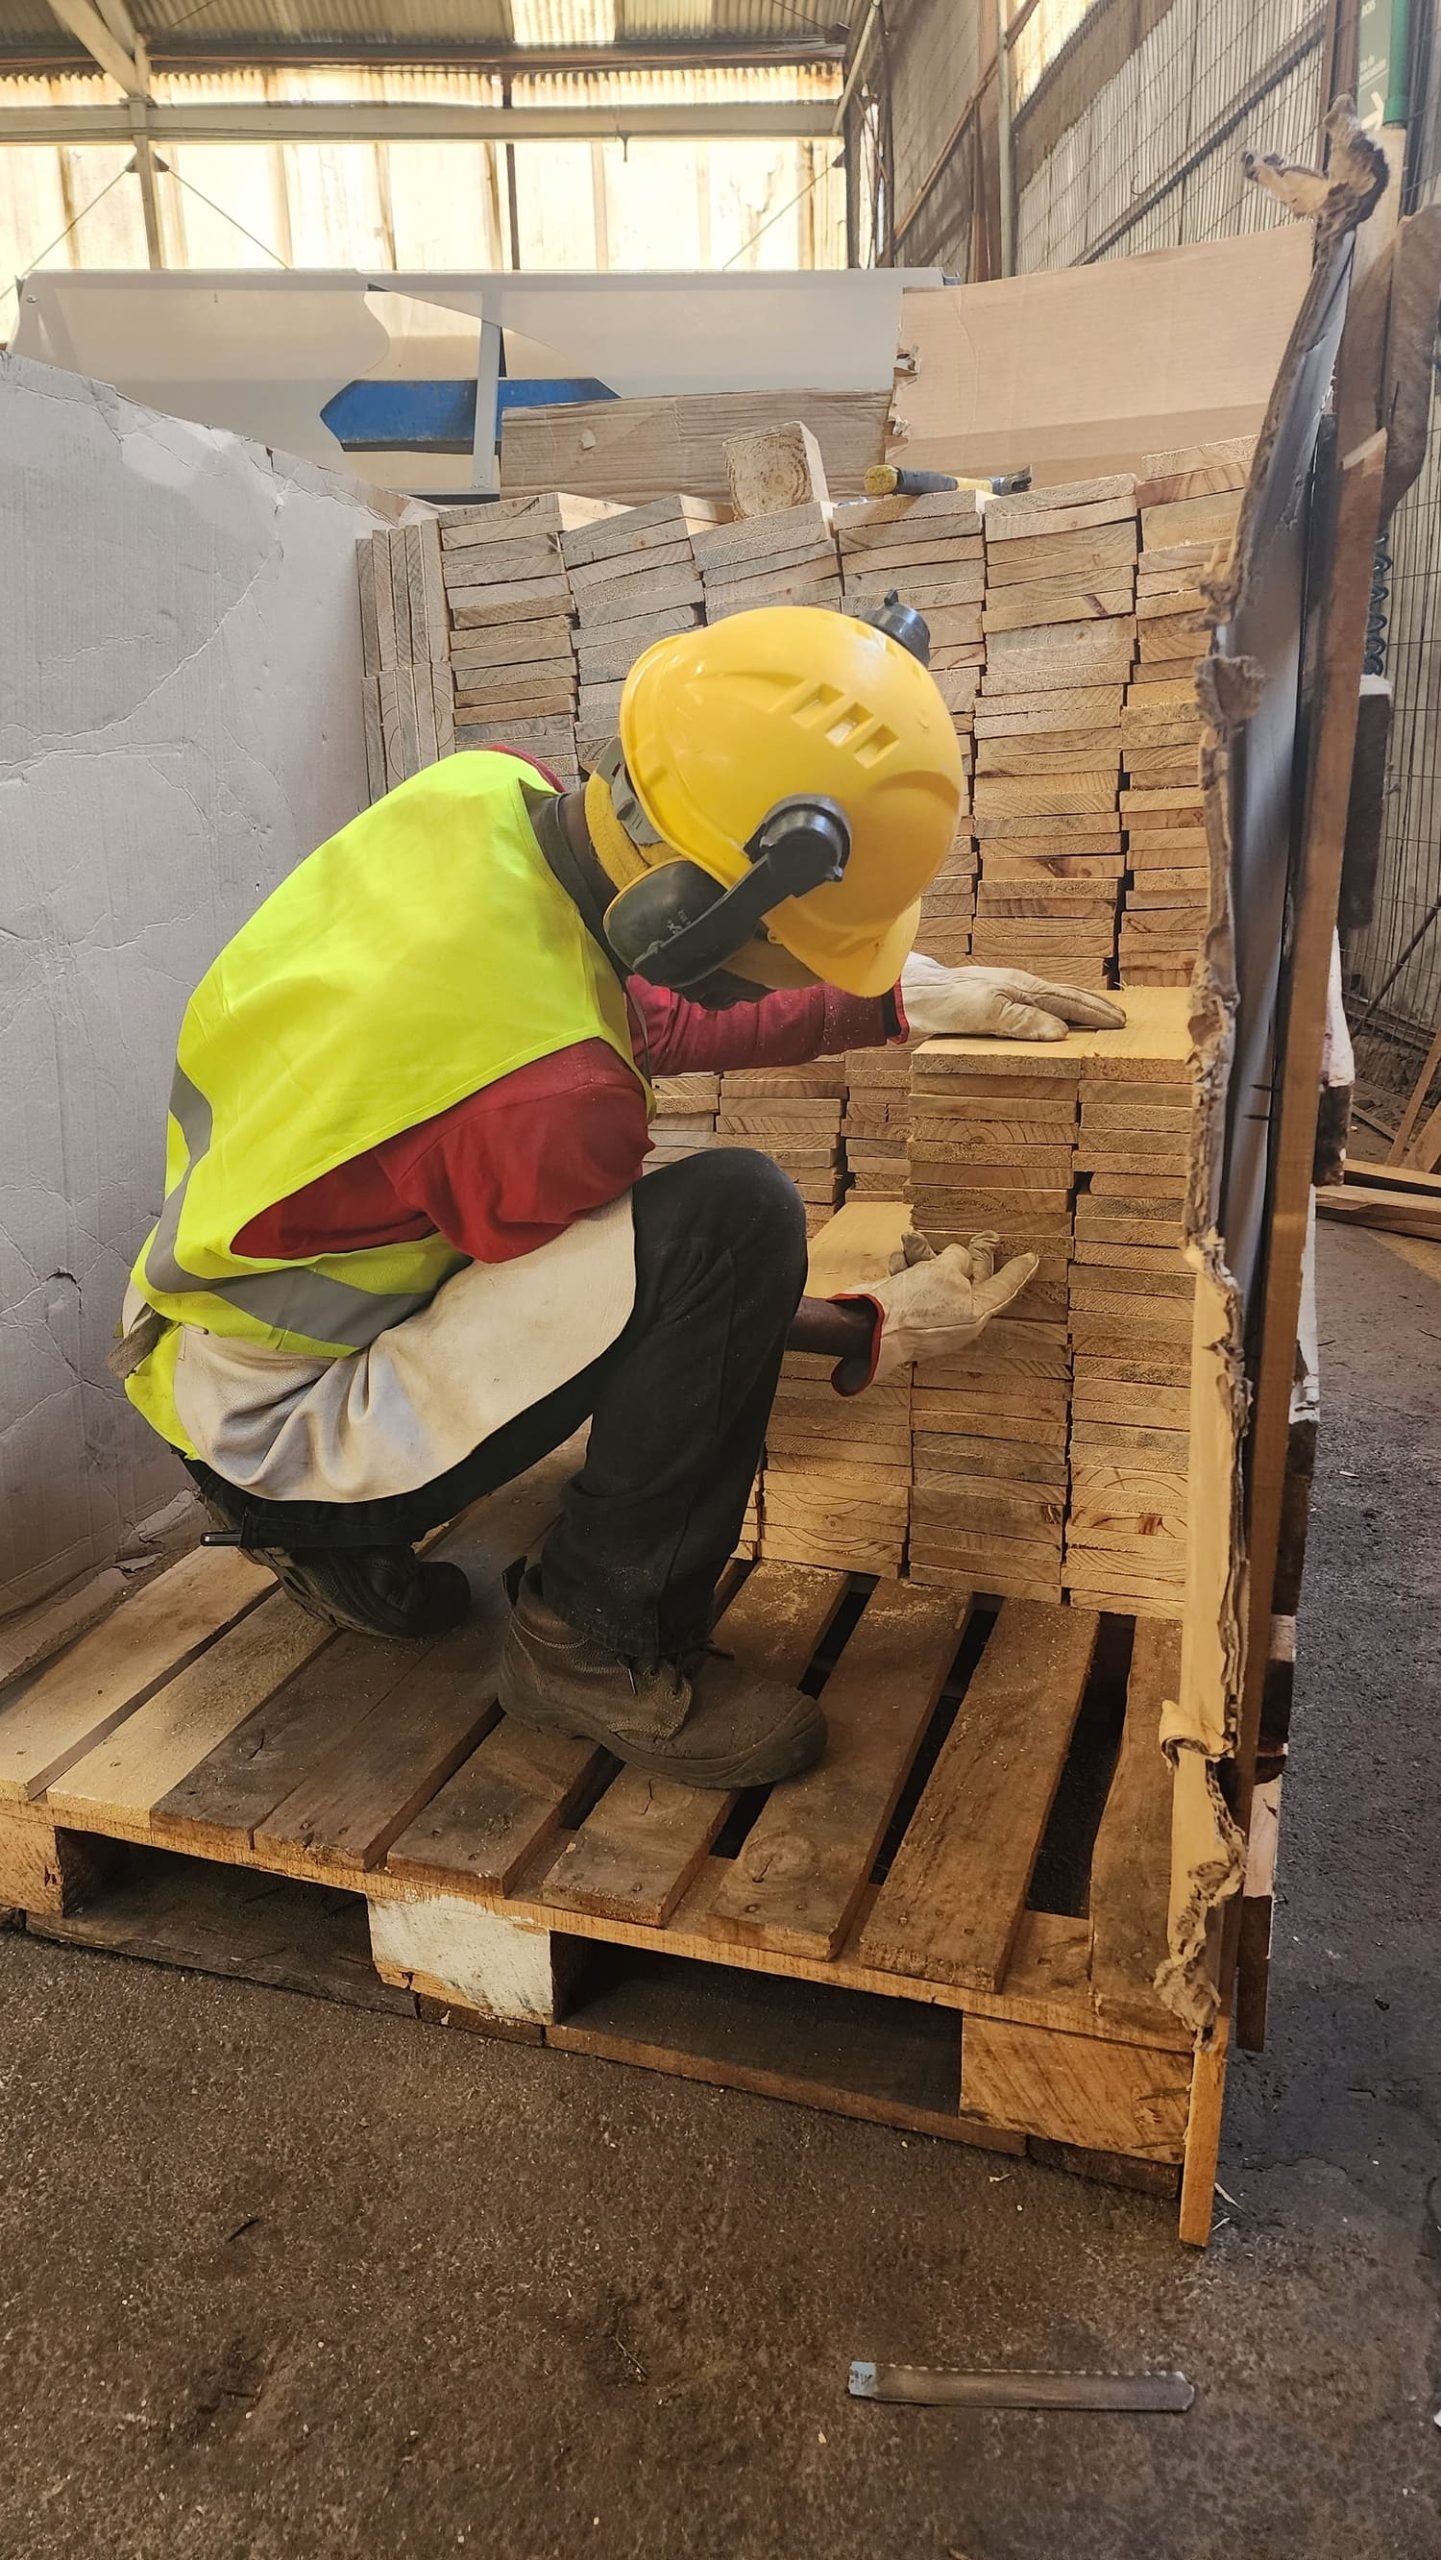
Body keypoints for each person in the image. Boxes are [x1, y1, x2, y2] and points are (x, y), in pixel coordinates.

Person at [113, 603, 1122, 1791]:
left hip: (187, 1348)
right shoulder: (555, 1098)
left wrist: (893, 999)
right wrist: (872, 1327)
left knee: (689, 1230)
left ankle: (320, 1537)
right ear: (693, 916)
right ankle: (593, 1643)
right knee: (736, 1220)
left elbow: (612, 996)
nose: (808, 966)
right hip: (282, 1431)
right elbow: (651, 1300)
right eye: (801, 948)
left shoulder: (480, 792)